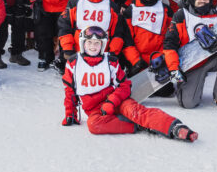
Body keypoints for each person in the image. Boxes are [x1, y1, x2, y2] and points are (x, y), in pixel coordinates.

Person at [61, 26, 198, 142]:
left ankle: (175, 127)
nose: (93, 46)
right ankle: (139, 126)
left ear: (102, 45)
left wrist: (112, 102)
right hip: (95, 110)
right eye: (89, 42)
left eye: (97, 43)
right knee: (93, 126)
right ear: (83, 43)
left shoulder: (110, 61)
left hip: (117, 101)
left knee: (136, 112)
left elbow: (125, 85)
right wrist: (70, 113)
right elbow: (70, 91)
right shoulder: (74, 63)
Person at [162, 0, 217, 111]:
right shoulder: (181, 15)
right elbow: (169, 44)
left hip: (212, 59)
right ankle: (186, 88)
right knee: (189, 103)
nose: (203, 1)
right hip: (192, 64)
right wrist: (174, 67)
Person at [57, 0, 129, 62]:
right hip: (77, 55)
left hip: (103, 56)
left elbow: (118, 33)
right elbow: (64, 26)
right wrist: (68, 49)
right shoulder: (76, 2)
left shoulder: (111, 6)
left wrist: (113, 53)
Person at [122, 0, 173, 76]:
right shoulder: (130, 11)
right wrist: (136, 61)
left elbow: (171, 36)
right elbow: (127, 40)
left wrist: (162, 57)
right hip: (138, 61)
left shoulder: (166, 10)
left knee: (166, 91)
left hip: (159, 58)